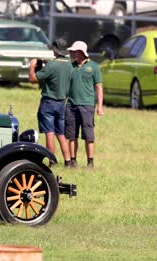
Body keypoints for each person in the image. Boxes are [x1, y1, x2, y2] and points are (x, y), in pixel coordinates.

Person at [29, 40, 73, 167]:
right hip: (62, 103)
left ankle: (52, 161)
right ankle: (68, 162)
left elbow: (33, 79)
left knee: (50, 133)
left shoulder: (52, 65)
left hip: (48, 102)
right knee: (61, 134)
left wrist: (32, 65)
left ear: (55, 50)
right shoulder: (69, 66)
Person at [65, 41, 104, 169]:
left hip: (87, 106)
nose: (72, 53)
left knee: (89, 135)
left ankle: (90, 162)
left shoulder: (94, 67)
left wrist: (100, 106)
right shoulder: (71, 67)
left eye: (74, 51)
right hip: (71, 105)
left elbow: (99, 87)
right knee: (72, 135)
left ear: (82, 52)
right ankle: (72, 161)